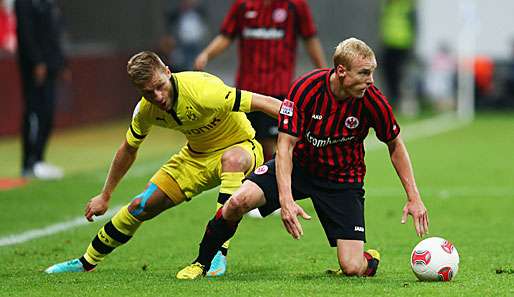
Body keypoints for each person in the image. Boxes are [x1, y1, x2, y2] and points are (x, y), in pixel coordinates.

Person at [176, 37, 429, 279]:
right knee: (237, 202)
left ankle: (368, 259)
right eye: (364, 73)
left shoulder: (373, 101)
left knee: (352, 267)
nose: (371, 81)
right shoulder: (306, 89)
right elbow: (284, 146)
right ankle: (201, 261)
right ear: (341, 71)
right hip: (299, 167)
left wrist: (414, 197)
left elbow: (394, 144)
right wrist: (286, 199)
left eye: (372, 73)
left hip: (342, 179)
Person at [44, 51, 282, 276]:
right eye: (148, 92)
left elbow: (264, 102)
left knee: (232, 159)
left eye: (160, 87)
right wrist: (105, 195)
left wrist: (302, 125)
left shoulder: (204, 91)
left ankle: (218, 252)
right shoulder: (145, 110)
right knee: (141, 205)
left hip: (241, 146)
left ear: (168, 72)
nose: (157, 97)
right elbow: (128, 148)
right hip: (195, 156)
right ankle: (86, 262)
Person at [194, 0, 326, 162]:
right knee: (245, 142)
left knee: (273, 143)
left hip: (278, 89)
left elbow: (310, 39)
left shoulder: (295, 5)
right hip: (246, 91)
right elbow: (226, 36)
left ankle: (273, 183)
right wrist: (206, 54)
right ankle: (253, 183)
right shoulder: (243, 5)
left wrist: (322, 72)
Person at [15, 0, 67, 179]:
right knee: (34, 113)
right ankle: (29, 163)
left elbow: (54, 32)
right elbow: (25, 33)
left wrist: (61, 63)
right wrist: (37, 61)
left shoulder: (48, 3)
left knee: (48, 113)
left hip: (51, 66)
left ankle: (39, 159)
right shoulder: (24, 3)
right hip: (34, 69)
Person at [380, 0, 417, 108]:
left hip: (403, 44)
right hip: (388, 44)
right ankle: (393, 99)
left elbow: (414, 24)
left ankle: (406, 102)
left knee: (403, 75)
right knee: (389, 74)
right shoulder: (387, 5)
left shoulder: (406, 5)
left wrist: (412, 44)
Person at [166, 0, 208, 70]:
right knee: (185, 61)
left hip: (196, 41)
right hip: (183, 42)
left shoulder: (199, 11)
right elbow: (171, 25)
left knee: (197, 59)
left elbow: (204, 25)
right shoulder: (178, 12)